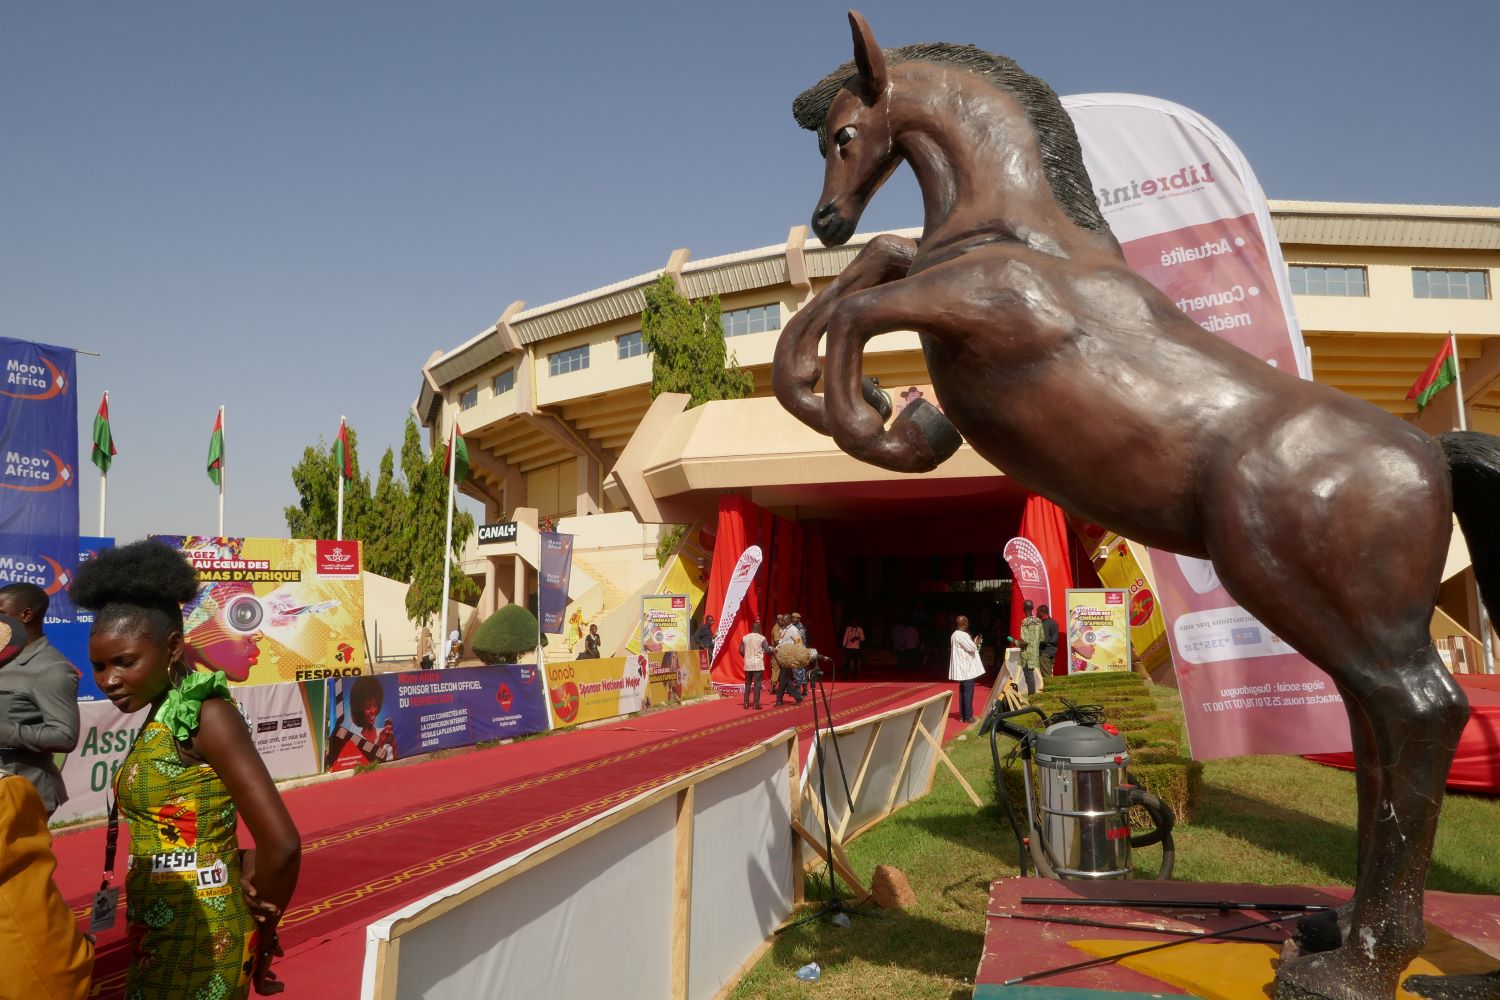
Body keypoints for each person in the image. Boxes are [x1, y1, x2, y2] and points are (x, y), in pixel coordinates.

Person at [73, 540, 301, 999]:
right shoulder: (159, 714)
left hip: (202, 945)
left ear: (173, 647)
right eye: (99, 665)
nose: (108, 679)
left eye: (125, 661)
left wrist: (264, 931)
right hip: (159, 937)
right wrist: (227, 861)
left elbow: (282, 843)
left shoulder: (208, 715)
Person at [0, 581, 81, 816]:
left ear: (26, 615)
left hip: (24, 794)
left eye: (1, 613)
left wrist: (4, 732)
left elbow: (65, 736)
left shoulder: (52, 668)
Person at [325, 675, 397, 770]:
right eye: (367, 707)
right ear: (359, 710)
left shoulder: (385, 734)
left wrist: (394, 746)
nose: (372, 711)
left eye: (374, 705)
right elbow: (369, 766)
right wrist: (379, 745)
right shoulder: (352, 738)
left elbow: (396, 764)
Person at [949, 615, 984, 724]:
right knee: (968, 692)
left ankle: (962, 716)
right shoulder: (962, 635)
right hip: (966, 668)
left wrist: (973, 642)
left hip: (962, 667)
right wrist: (976, 643)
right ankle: (968, 716)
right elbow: (972, 648)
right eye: (967, 621)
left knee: (963, 692)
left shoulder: (954, 635)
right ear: (964, 623)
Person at [1017, 600, 1044, 695]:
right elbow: (1042, 638)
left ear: (1023, 609)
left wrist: (1015, 642)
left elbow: (1025, 641)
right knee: (1031, 676)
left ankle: (1032, 700)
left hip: (1026, 654)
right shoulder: (1039, 621)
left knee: (1029, 679)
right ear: (1033, 608)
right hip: (1035, 653)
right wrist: (1034, 644)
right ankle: (1033, 698)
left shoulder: (1024, 622)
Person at [739, 620, 766, 710]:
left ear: (751, 629)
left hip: (748, 663)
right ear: (759, 629)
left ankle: (746, 703)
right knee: (757, 684)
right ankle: (756, 704)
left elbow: (740, 650)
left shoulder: (745, 637)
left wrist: (746, 656)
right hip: (758, 664)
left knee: (747, 684)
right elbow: (767, 649)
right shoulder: (762, 638)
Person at [1037, 605, 1060, 676]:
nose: (1036, 615)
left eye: (1037, 613)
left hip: (1044, 653)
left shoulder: (1045, 624)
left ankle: (1050, 687)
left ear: (1041, 613)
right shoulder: (1054, 622)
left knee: (1046, 676)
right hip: (1052, 652)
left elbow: (1043, 640)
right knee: (1049, 673)